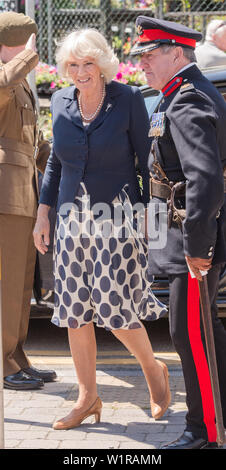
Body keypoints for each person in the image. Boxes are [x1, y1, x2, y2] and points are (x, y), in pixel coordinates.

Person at [33, 28, 170, 431]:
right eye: (72, 65)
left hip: (118, 217)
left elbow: (147, 160)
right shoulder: (60, 101)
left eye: (87, 63)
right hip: (71, 220)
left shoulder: (126, 99)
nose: (79, 72)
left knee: (114, 309)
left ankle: (154, 371)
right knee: (74, 312)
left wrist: (149, 212)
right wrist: (44, 214)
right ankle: (87, 396)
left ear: (102, 63)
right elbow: (56, 163)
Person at [131, 16, 226, 449]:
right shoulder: (180, 95)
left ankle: (204, 428)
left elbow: (204, 179)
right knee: (204, 333)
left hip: (191, 243)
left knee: (190, 336)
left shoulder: (187, 101)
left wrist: (197, 247)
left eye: (150, 56)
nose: (143, 66)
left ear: (177, 53)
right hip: (183, 237)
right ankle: (216, 416)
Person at [0, 12, 56, 390]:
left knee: (20, 286)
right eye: (28, 42)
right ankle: (4, 366)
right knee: (6, 284)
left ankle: (15, 357)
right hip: (5, 197)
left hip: (23, 193)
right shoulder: (9, 77)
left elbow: (29, 142)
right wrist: (26, 59)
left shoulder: (20, 84)